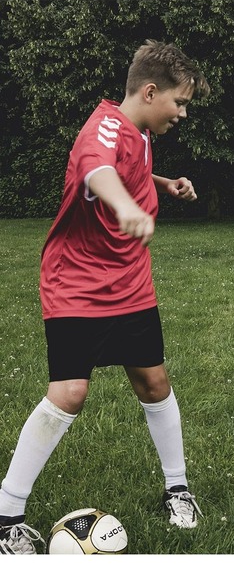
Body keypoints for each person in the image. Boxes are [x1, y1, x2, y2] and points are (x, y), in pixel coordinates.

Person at [0, 39, 210, 554]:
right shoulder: (103, 129)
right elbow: (98, 170)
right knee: (69, 393)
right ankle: (6, 516)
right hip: (78, 285)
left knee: (154, 382)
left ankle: (177, 489)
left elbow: (128, 167)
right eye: (179, 103)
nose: (182, 114)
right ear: (150, 91)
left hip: (131, 282)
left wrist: (162, 185)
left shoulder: (139, 131)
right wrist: (126, 207)